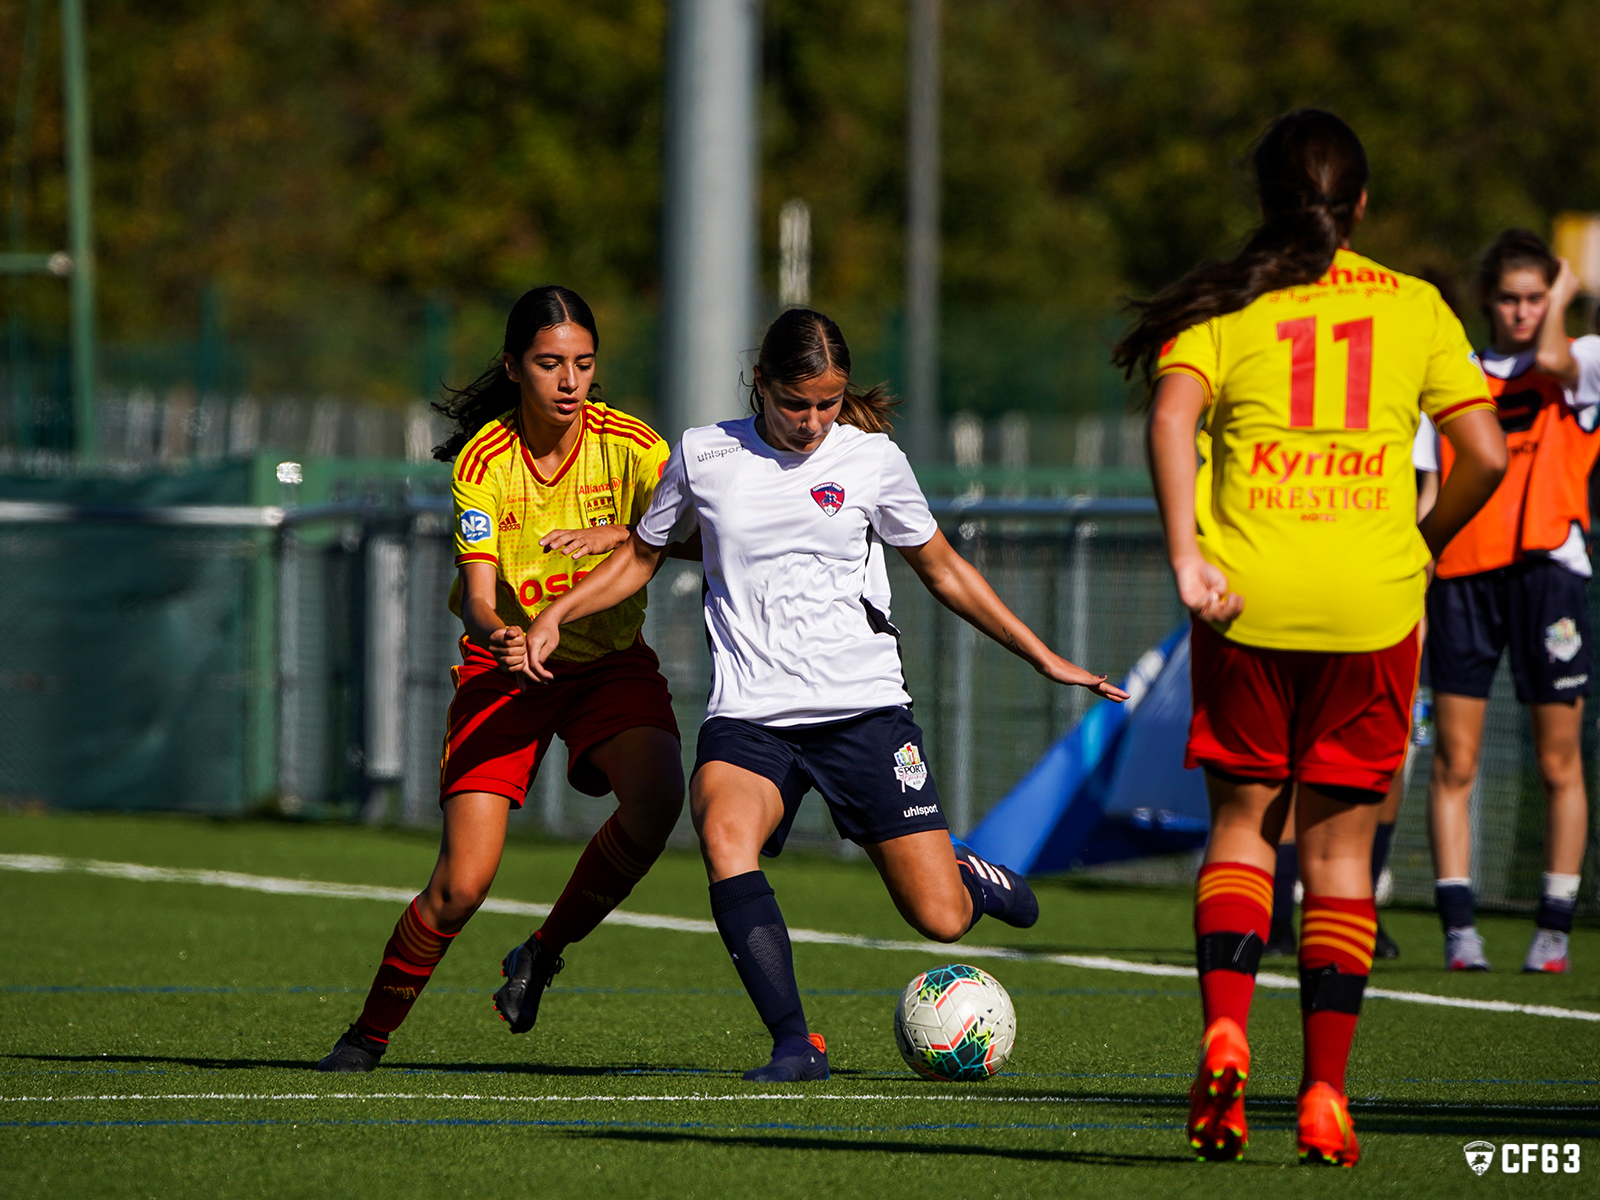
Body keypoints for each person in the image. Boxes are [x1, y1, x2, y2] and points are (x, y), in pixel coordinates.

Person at [520, 306, 1128, 1083]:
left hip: (864, 713)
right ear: (760, 384)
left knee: (940, 920)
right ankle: (794, 1045)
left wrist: (1042, 656)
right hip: (751, 716)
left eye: (828, 404)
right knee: (723, 835)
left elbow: (943, 569)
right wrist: (558, 613)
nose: (811, 422)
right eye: (794, 403)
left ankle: (966, 875)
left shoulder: (873, 460)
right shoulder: (704, 454)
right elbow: (642, 555)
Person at [1116, 109, 1506, 1166]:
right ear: (1361, 205)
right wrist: (1419, 544)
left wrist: (1188, 555)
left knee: (1245, 828)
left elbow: (1169, 419)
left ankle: (1225, 1032)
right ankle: (1326, 1091)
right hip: (1371, 608)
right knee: (1338, 854)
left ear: (1266, 200)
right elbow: (1484, 453)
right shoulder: (1416, 305)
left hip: (1245, 599)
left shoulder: (1227, 301)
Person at [316, 285, 687, 1071]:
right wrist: (500, 635)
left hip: (607, 662)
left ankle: (542, 953)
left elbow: (707, 537)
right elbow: (480, 598)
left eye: (583, 363)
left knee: (658, 798)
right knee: (462, 883)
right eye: (550, 363)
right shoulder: (484, 461)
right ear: (514, 367)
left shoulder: (636, 448)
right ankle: (367, 1035)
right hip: (505, 667)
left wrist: (627, 532)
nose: (570, 381)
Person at [1417, 230, 1600, 973]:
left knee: (1559, 759)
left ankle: (1553, 928)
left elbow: (1551, 359)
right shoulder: (1452, 376)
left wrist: (1563, 295)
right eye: (1510, 298)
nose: (1523, 311)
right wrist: (1417, 580)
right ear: (1487, 301)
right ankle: (1460, 930)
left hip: (1549, 576)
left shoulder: (1581, 358)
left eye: (1535, 297)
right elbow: (1432, 488)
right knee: (1455, 758)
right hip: (1464, 576)